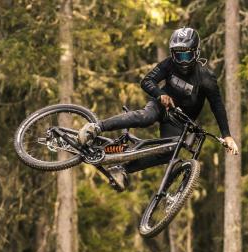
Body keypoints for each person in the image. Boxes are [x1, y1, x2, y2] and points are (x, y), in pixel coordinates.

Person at [78, 27, 239, 190]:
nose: (182, 61)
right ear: (172, 54)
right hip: (161, 106)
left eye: (187, 55)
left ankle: (122, 170)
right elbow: (147, 81)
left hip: (179, 121)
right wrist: (160, 94)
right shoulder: (169, 64)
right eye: (178, 54)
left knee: (169, 153)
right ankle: (97, 127)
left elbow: (217, 105)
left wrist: (227, 135)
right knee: (145, 117)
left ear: (196, 53)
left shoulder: (206, 78)